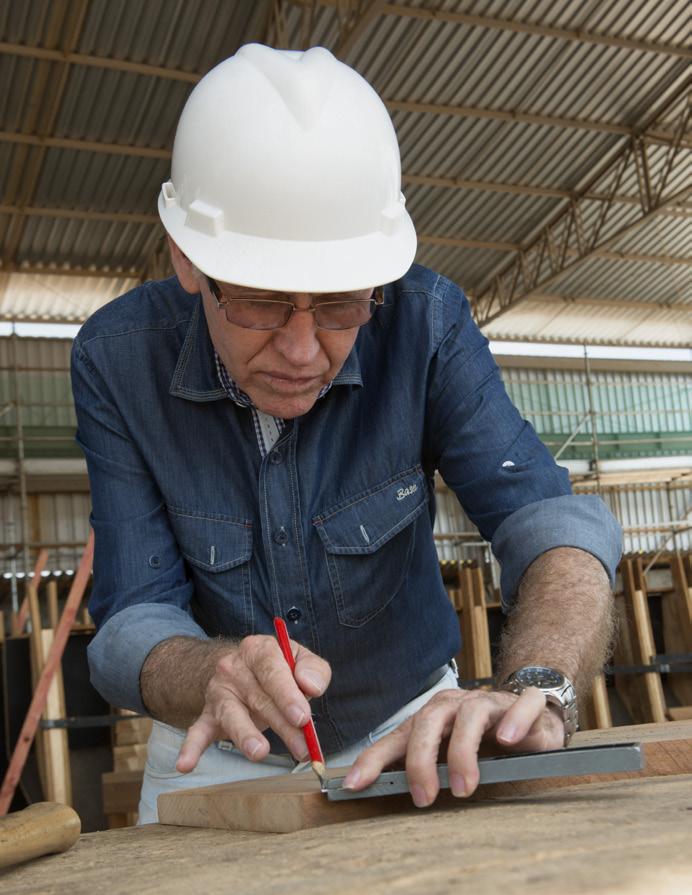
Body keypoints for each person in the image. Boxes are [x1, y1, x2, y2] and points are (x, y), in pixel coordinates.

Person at [71, 44, 621, 823]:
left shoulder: (425, 322)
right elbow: (132, 615)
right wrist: (214, 671)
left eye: (339, 306)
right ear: (188, 259)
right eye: (262, 303)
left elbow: (550, 524)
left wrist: (539, 685)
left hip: (414, 732)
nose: (302, 352)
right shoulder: (115, 361)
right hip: (223, 743)